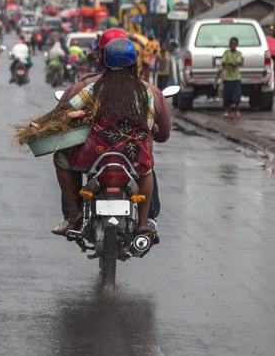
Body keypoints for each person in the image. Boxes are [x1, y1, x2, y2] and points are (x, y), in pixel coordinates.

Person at [31, 37, 171, 237]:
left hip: (95, 154)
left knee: (61, 159)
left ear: (104, 63)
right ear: (135, 64)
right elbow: (150, 126)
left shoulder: (94, 88)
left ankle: (74, 215)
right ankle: (143, 223)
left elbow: (65, 109)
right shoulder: (148, 93)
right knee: (147, 171)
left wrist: (40, 123)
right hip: (134, 157)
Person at [220, 37, 243, 119]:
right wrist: (226, 63)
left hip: (236, 78)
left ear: (237, 45)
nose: (232, 45)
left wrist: (229, 63)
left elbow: (237, 63)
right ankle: (228, 112)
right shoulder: (226, 53)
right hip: (227, 78)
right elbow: (223, 62)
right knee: (227, 96)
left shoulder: (239, 53)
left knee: (236, 95)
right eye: (231, 44)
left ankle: (237, 110)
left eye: (234, 44)